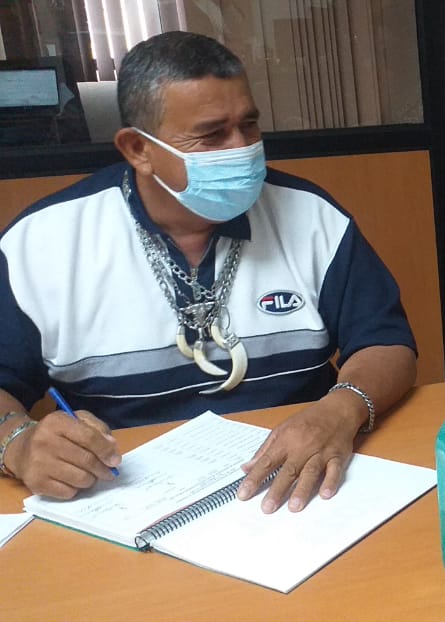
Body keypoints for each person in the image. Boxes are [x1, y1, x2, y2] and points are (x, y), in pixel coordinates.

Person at [0, 32, 417, 516]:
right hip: (122, 498)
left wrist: (340, 410)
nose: (242, 149)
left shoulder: (311, 216)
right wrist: (18, 443)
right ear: (138, 148)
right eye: (213, 134)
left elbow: (386, 343)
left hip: (299, 485)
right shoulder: (42, 243)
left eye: (249, 125)